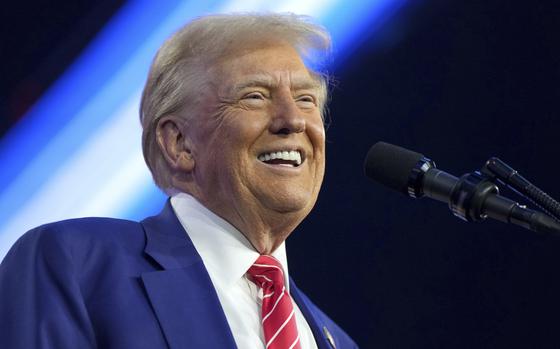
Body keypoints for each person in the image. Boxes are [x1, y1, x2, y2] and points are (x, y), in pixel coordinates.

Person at [0, 13, 358, 349]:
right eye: (255, 96)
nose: (293, 120)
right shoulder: (76, 264)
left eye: (306, 99)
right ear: (179, 144)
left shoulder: (334, 339)